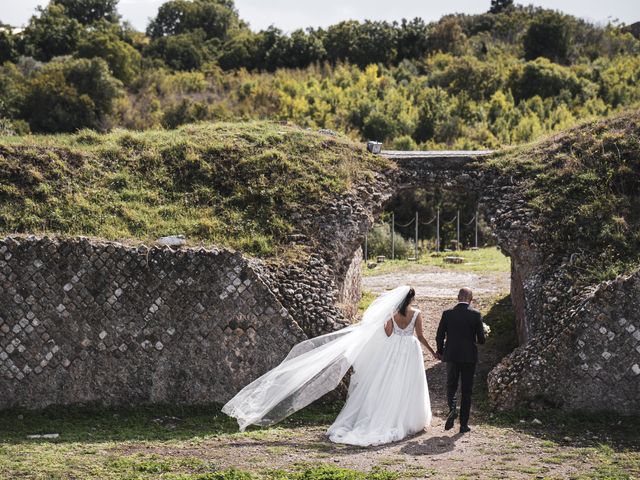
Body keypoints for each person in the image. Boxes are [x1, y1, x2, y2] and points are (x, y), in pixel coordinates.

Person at [222, 285, 438, 446]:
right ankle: (409, 419)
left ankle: (387, 417)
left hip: (393, 351)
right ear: (412, 299)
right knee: (408, 384)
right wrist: (433, 352)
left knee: (388, 383)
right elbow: (419, 336)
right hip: (409, 351)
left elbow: (389, 333)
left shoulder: (391, 313)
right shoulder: (416, 314)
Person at [436, 287, 486, 434]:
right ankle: (463, 425)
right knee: (467, 390)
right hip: (469, 357)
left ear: (458, 297)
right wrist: (482, 337)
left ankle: (452, 409)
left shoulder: (447, 314)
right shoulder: (475, 315)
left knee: (451, 385)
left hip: (452, 355)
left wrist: (440, 351)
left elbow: (439, 335)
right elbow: (481, 340)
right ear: (471, 299)